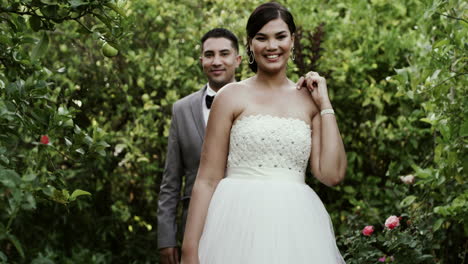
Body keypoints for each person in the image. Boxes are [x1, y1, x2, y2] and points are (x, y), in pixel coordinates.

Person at [181, 2, 347, 264]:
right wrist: (189, 250)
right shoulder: (230, 96)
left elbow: (332, 174)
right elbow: (207, 179)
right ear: (249, 43)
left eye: (280, 37)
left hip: (296, 229)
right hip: (234, 225)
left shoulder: (309, 101)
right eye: (262, 38)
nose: (272, 46)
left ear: (292, 40)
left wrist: (325, 104)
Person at [157, 28, 242, 264]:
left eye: (224, 54)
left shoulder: (257, 103)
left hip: (246, 219)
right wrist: (166, 237)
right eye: (209, 54)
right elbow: (170, 181)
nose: (216, 61)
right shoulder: (181, 110)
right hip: (196, 226)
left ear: (237, 60)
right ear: (201, 61)